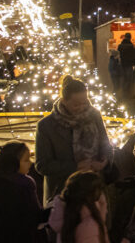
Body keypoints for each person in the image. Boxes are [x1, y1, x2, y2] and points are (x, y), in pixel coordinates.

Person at [35, 75, 113, 205]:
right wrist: (75, 166)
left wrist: (104, 161)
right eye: (76, 104)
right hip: (63, 194)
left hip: (94, 190)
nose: (82, 107)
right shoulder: (46, 126)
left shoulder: (94, 115)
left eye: (85, 102)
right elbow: (42, 165)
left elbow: (106, 145)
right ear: (64, 101)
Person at [117, 34, 135, 99]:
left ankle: (123, 93)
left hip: (122, 64)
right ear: (130, 37)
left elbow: (118, 54)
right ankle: (128, 93)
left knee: (123, 78)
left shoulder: (120, 45)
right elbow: (133, 55)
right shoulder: (131, 45)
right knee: (129, 79)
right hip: (129, 64)